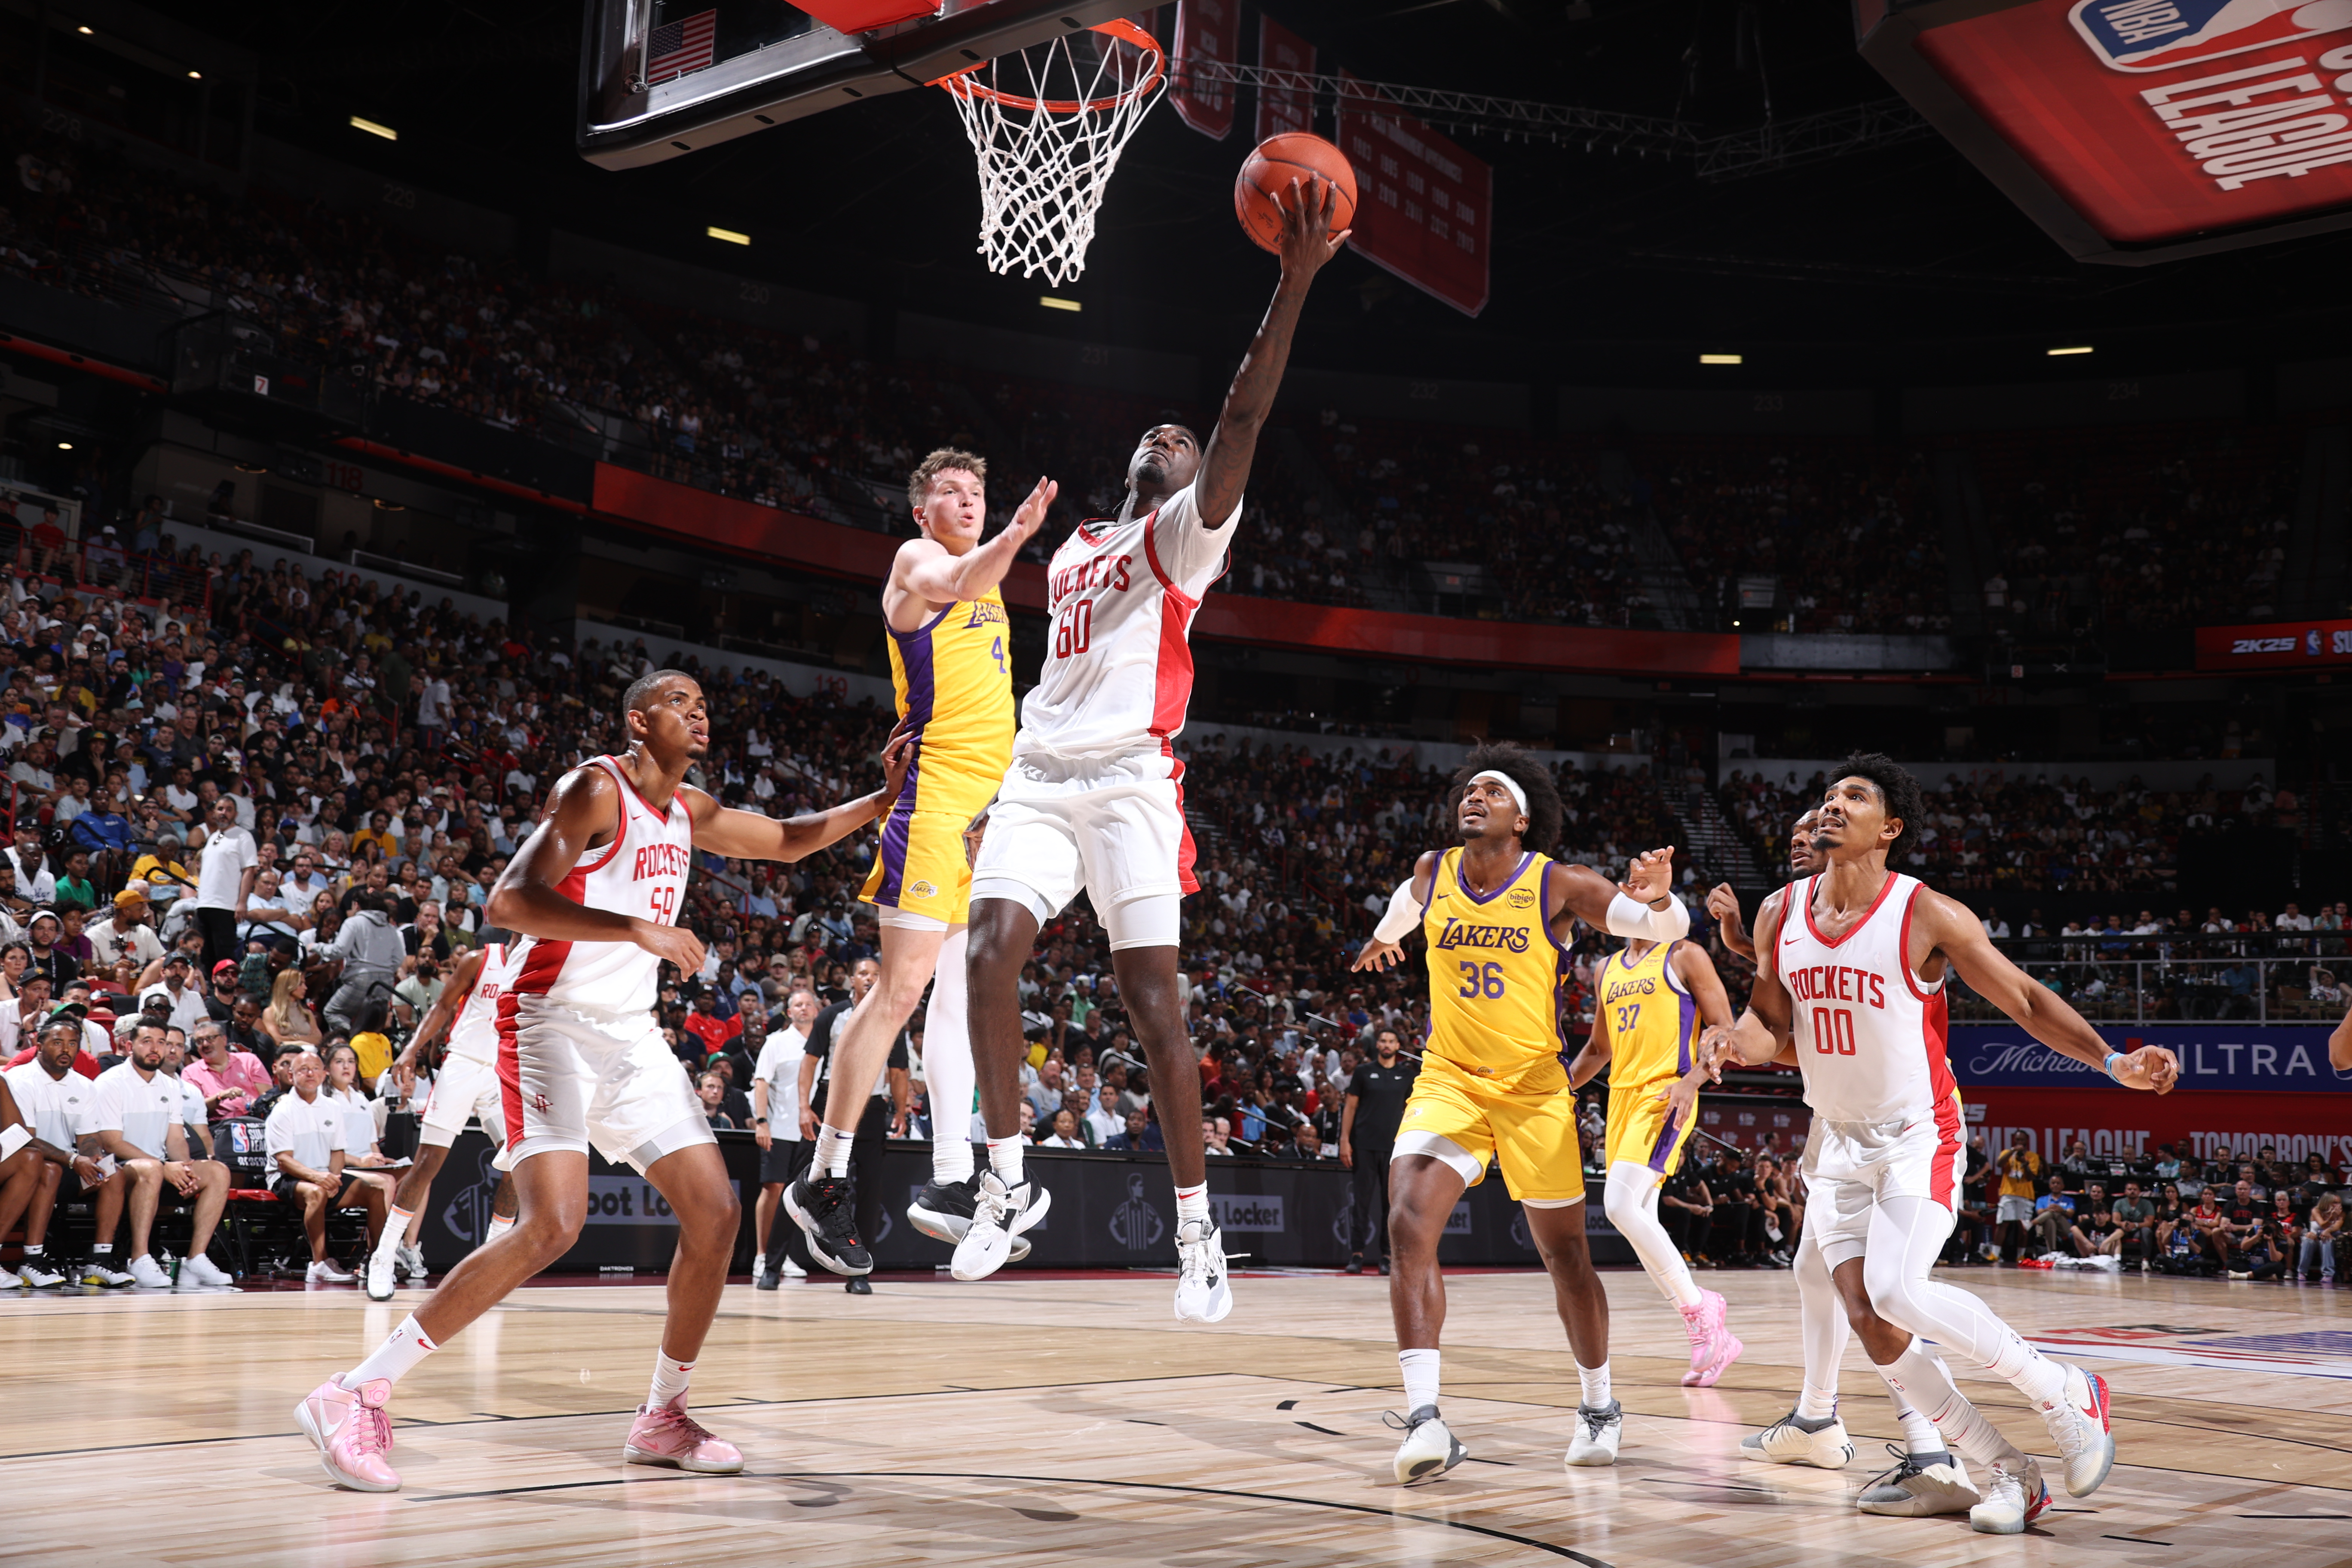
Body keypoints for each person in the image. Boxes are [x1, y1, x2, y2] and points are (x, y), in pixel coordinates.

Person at [296, 669, 911, 1494]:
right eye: (680, 703)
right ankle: (354, 1391)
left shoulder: (687, 808)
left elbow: (789, 838)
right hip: (545, 1019)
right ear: (638, 719)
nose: (698, 714)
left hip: (627, 1034)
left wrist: (882, 799)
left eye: (704, 704)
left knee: (717, 1210)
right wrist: (637, 928)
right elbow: (510, 900)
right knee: (552, 1224)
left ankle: (663, 1413)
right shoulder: (594, 788)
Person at [958, 175, 1348, 1318]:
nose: (1171, 439)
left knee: (1154, 1008)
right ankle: (1007, 1183)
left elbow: (1239, 423)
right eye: (1155, 433)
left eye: (1182, 441)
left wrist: (1293, 281)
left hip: (1132, 779)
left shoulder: (1187, 542)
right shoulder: (1076, 549)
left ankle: (1197, 1232)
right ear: (1129, 467)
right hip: (1039, 774)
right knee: (986, 953)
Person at [1698, 752, 2180, 1534]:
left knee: (1894, 1289)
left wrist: (2113, 1061)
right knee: (1870, 1315)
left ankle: (2063, 1389)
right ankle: (2007, 1472)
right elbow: (1772, 1023)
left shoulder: (1926, 914)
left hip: (1919, 1132)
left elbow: (2023, 996)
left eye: (1852, 796)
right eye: (1826, 795)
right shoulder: (1778, 912)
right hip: (1839, 1143)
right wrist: (1732, 1038)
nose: (1831, 805)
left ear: (1888, 829)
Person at [1349, 742, 1693, 1482]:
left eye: (1491, 790)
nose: (1473, 796)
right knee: (1407, 1218)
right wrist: (1386, 934)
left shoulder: (1556, 883)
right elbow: (1407, 905)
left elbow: (1663, 927)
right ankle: (1424, 1418)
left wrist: (1661, 897)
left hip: (1535, 1088)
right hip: (1449, 1078)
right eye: (1468, 789)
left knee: (1564, 1256)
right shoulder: (1432, 870)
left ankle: (1599, 1404)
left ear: (1523, 815)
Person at [783, 450, 1048, 1270]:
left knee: (963, 987)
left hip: (980, 810)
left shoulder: (987, 579)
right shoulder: (918, 564)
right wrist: (1012, 533)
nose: (967, 500)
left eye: (978, 491)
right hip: (930, 797)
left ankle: (946, 1180)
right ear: (920, 514)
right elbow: (967, 571)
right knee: (899, 989)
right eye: (951, 494)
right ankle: (822, 1175)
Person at [1566, 933, 1738, 1387]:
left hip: (1667, 1092)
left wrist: (1694, 1081)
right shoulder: (1607, 968)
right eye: (1629, 883)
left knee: (1618, 1206)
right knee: (1641, 1218)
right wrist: (1558, 1088)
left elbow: (1725, 1028)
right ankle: (1711, 1331)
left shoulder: (1684, 954)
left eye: (1646, 884)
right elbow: (1599, 1050)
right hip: (1621, 1099)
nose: (1634, 889)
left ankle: (1698, 1310)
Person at [369, 942, 523, 1299]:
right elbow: (441, 1006)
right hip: (463, 1064)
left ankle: (490, 1265)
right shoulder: (481, 959)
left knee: (518, 1160)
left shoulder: (543, 963)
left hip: (504, 1071)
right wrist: (411, 1049)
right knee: (426, 1164)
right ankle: (385, 1255)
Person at [795, 956, 913, 1295]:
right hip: (829, 1102)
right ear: (851, 979)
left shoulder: (894, 1021)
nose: (870, 978)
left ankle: (859, 1273)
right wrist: (804, 1106)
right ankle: (773, 1265)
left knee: (870, 1190)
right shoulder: (831, 1016)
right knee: (806, 1179)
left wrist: (901, 1111)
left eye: (877, 974)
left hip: (874, 1108)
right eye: (863, 973)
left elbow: (900, 1071)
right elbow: (809, 1063)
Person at [88, 1018, 234, 1287]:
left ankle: (196, 1258)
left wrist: (185, 1170)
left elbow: (176, 1138)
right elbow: (111, 1143)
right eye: (147, 1042)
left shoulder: (171, 1086)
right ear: (130, 1046)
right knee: (154, 1169)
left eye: (162, 1043)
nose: (156, 1048)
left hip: (156, 1167)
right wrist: (164, 1165)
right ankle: (140, 1258)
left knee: (218, 1172)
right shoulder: (110, 1082)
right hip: (114, 1168)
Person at [266, 1048, 392, 1284]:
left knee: (375, 1192)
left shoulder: (333, 1108)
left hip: (325, 1174)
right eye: (303, 1070)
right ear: (292, 1077)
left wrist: (333, 1177)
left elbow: (338, 1152)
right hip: (288, 1179)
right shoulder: (282, 1110)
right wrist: (319, 1178)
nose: (310, 1074)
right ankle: (319, 1263)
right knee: (316, 1193)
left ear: (324, 1075)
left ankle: (378, 1262)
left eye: (315, 1069)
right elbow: (283, 1160)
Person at [0, 1015, 108, 1287]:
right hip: (49, 1162)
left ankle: (102, 1260)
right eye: (58, 1042)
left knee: (112, 1172)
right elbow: (24, 1138)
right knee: (38, 1162)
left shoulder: (2, 1082)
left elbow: (16, 1135)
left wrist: (92, 1154)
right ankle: (34, 1258)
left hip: (55, 1164)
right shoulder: (19, 1079)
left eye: (73, 1044)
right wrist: (73, 1158)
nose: (66, 1049)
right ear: (39, 1044)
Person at [750, 985, 817, 1289]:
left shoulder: (823, 1044)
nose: (804, 1008)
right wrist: (762, 1122)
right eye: (798, 1005)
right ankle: (763, 1255)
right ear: (789, 1013)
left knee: (797, 1194)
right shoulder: (776, 1043)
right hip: (779, 1128)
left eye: (808, 1004)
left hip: (812, 1130)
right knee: (774, 1188)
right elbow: (761, 1083)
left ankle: (782, 1255)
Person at [1338, 1027, 1416, 1276]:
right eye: (1383, 1040)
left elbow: (1413, 1112)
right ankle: (1357, 1255)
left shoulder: (1407, 1076)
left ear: (1397, 1046)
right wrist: (1344, 1140)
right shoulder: (1363, 1072)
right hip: (1364, 1145)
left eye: (1391, 1041)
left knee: (1391, 1205)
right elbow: (1350, 1108)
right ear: (1378, 1044)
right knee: (1360, 1203)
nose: (1386, 1044)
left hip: (1395, 1148)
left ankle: (1387, 1256)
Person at [192, 797, 258, 971]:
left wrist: (242, 902)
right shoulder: (213, 837)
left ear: (235, 814)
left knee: (223, 957)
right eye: (221, 809)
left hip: (225, 906)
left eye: (229, 810)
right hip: (204, 904)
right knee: (203, 956)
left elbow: (249, 870)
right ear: (214, 813)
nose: (224, 813)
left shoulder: (243, 836)